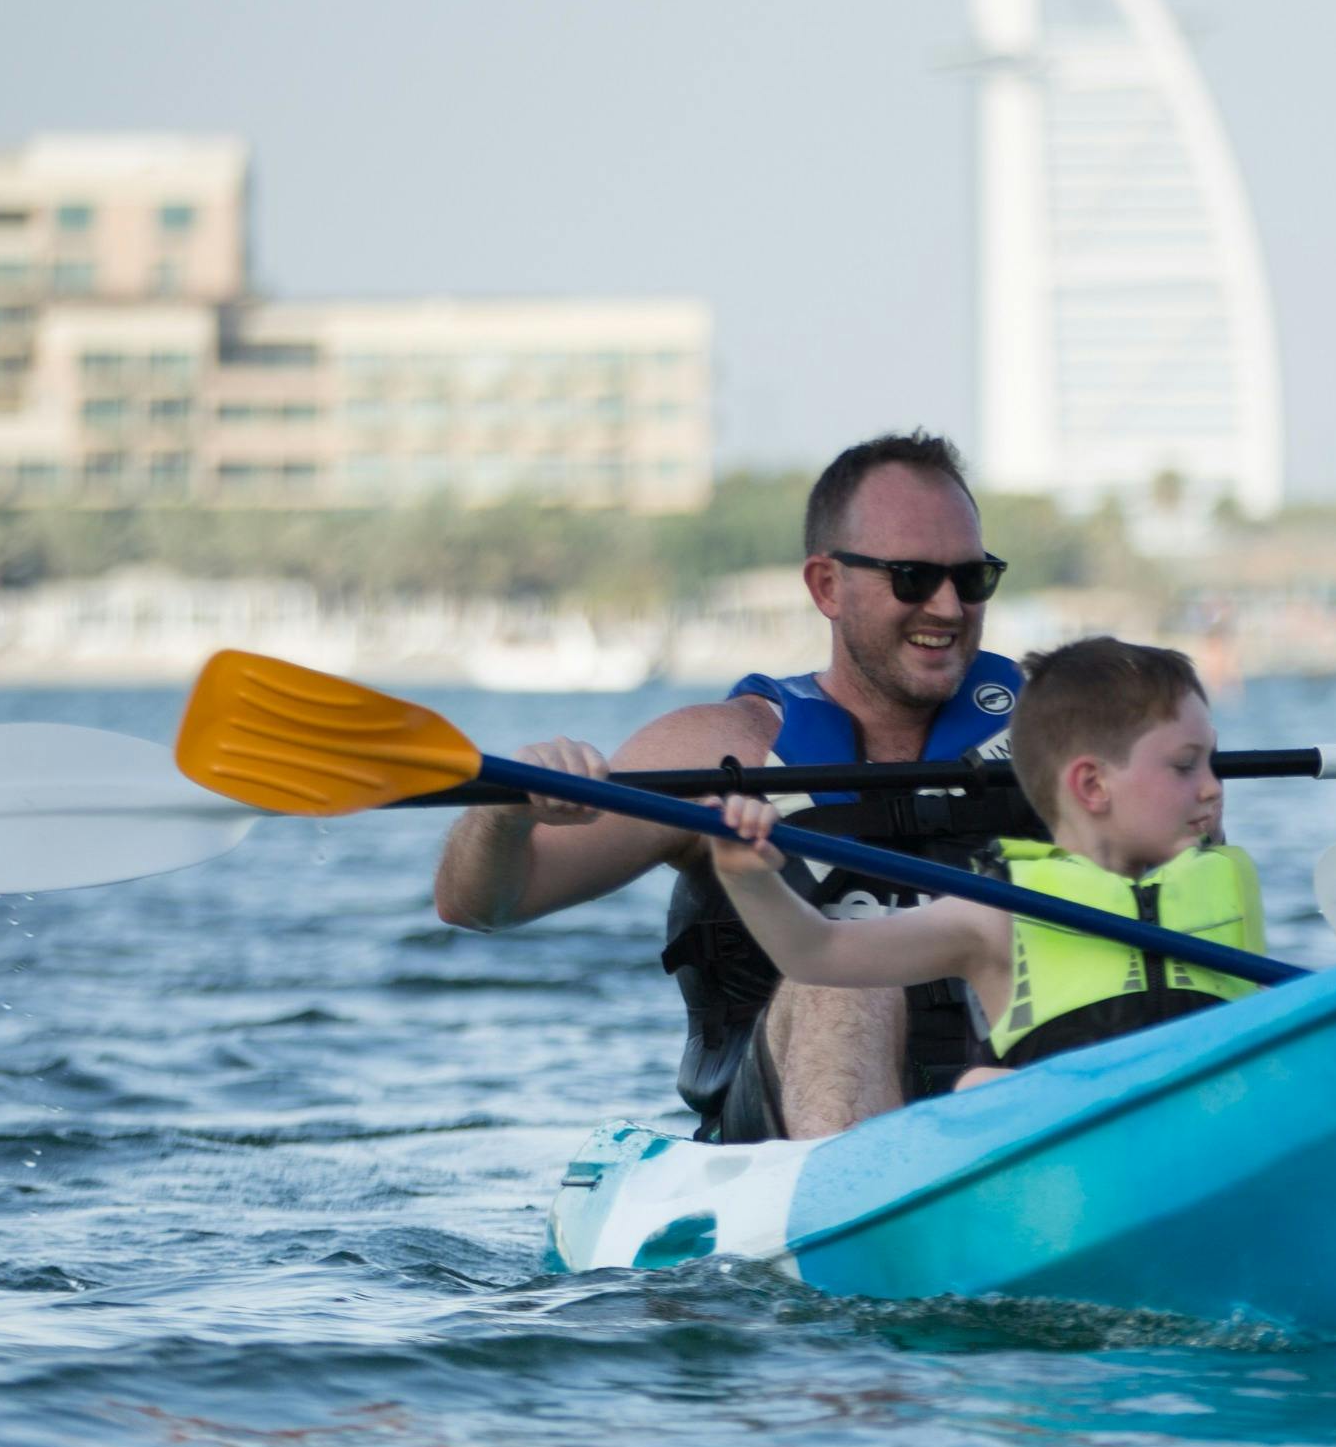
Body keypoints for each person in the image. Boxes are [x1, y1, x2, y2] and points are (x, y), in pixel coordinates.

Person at [432, 430, 1026, 1141]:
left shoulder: (1055, 743)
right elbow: (478, 904)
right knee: (846, 980)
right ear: (826, 586)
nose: (948, 608)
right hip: (774, 1158)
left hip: (1008, 1123)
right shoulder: (719, 749)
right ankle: (851, 1224)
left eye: (971, 579)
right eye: (912, 578)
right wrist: (506, 817)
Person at [693, 635, 1265, 1078]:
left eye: (1212, 763)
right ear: (1092, 786)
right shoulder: (996, 916)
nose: (1213, 787)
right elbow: (819, 953)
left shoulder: (1221, 889)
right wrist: (749, 879)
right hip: (1062, 1173)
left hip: (1217, 1135)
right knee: (980, 1087)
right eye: (1186, 765)